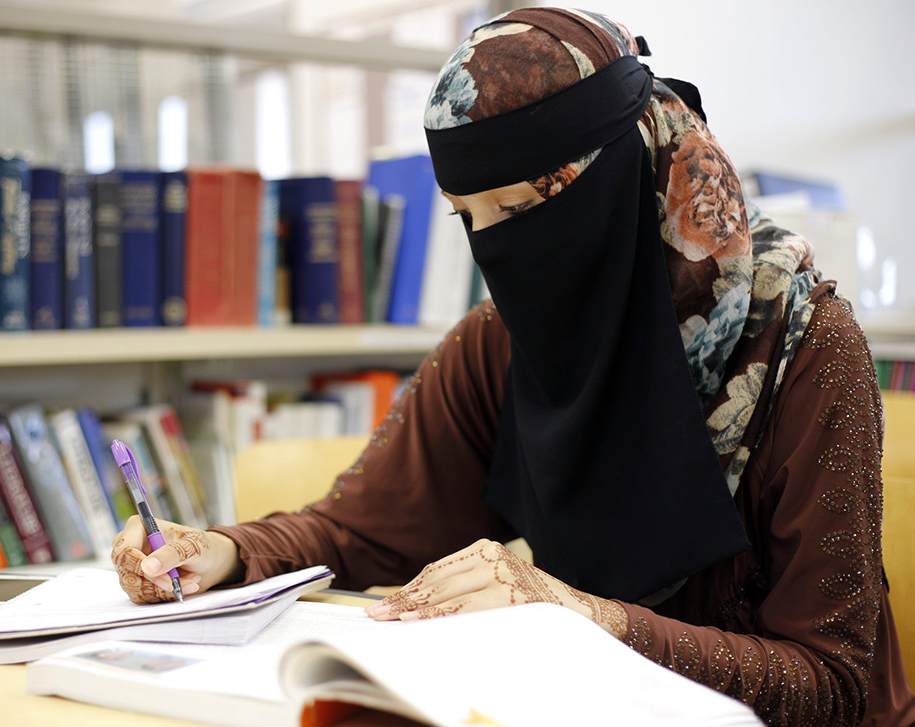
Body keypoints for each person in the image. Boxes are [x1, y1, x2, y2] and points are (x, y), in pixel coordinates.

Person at [111, 8, 915, 725]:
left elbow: (833, 682)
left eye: (522, 210)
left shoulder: (805, 349)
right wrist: (224, 550)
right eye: (469, 218)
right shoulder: (498, 342)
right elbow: (358, 529)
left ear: (624, 171)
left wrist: (588, 616)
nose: (499, 248)